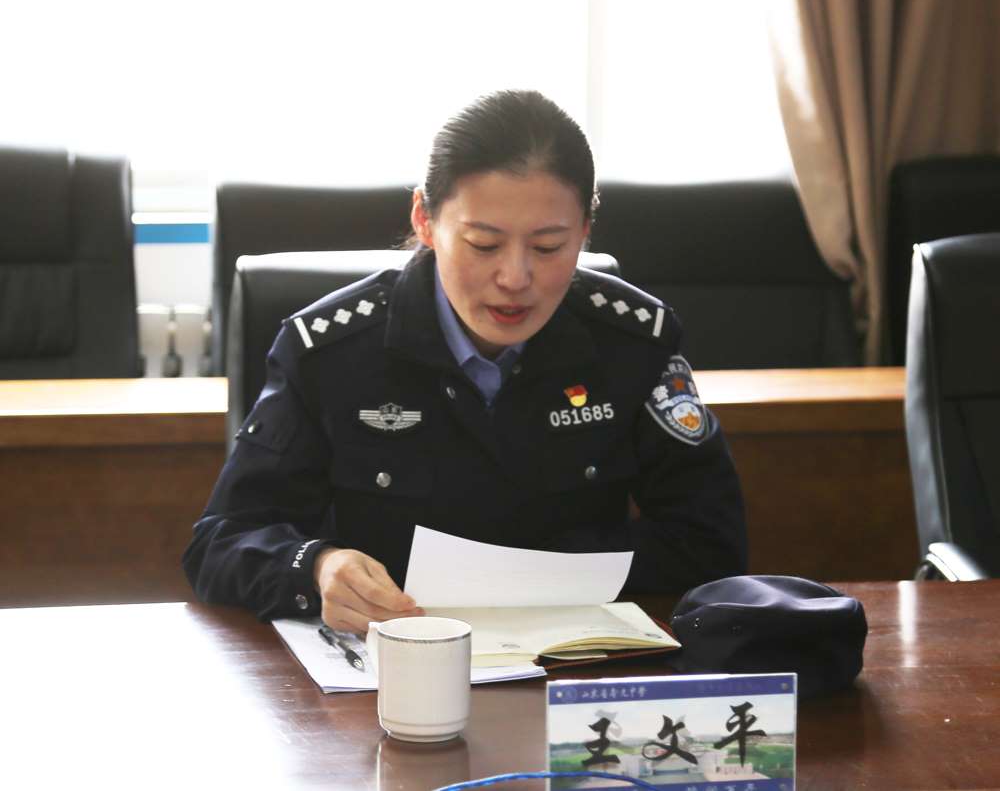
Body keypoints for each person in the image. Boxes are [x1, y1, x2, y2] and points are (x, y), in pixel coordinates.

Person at [183, 90, 747, 633]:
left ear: (584, 231)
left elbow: (711, 541)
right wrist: (317, 567)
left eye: (548, 247)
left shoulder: (634, 342)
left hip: (572, 660)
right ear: (425, 221)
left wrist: (538, 575)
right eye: (483, 244)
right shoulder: (329, 352)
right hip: (394, 661)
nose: (515, 278)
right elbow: (220, 542)